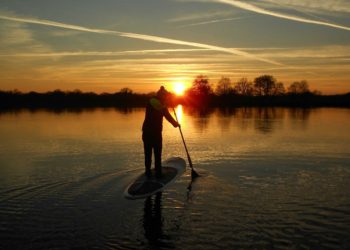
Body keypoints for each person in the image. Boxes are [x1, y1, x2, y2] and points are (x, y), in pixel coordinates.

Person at [142, 86, 179, 178]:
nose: (166, 98)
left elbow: (165, 112)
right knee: (149, 153)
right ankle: (149, 172)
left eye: (166, 96)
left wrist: (175, 123)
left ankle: (157, 171)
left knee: (157, 153)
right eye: (165, 96)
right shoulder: (153, 101)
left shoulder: (159, 103)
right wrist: (175, 123)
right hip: (149, 132)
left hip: (156, 132)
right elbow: (165, 113)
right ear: (161, 96)